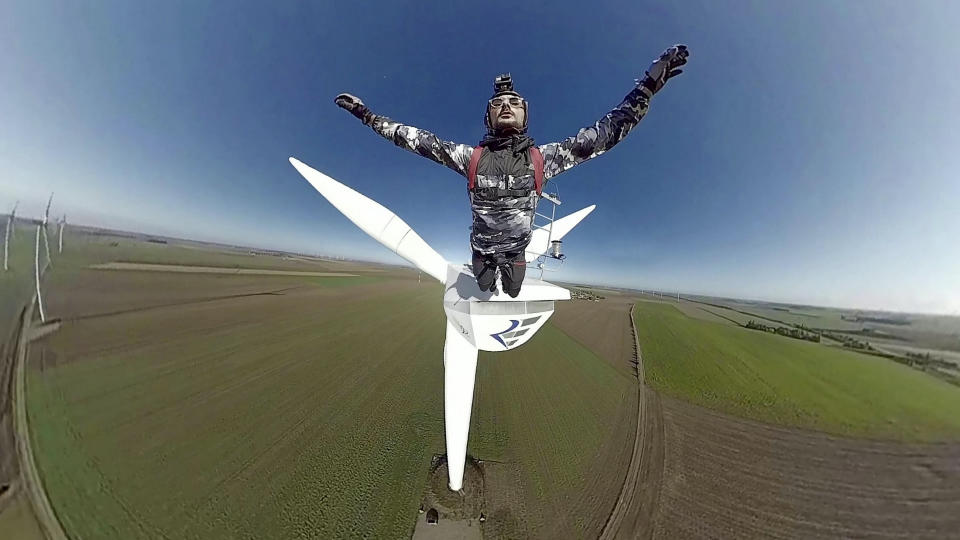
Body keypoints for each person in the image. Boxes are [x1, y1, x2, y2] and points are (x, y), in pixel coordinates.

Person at [335, 45, 689, 298]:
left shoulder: (542, 159)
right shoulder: (468, 157)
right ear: (489, 117)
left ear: (524, 115)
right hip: (483, 252)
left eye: (514, 103)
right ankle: (488, 266)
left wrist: (646, 87)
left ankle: (511, 265)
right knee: (485, 288)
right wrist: (368, 116)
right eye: (498, 104)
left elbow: (606, 133)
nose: (506, 105)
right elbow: (414, 139)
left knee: (514, 289)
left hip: (517, 250)